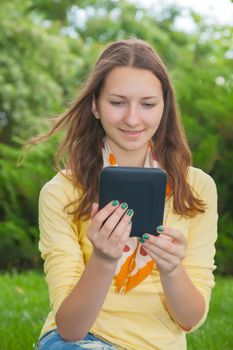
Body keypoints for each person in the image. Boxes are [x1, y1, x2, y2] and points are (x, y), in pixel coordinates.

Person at [34, 38, 218, 350]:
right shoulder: (60, 192)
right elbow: (70, 327)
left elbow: (190, 319)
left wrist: (172, 269)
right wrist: (104, 258)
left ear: (164, 107)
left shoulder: (197, 189)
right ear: (95, 104)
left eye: (147, 104)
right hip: (82, 342)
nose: (133, 119)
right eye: (117, 102)